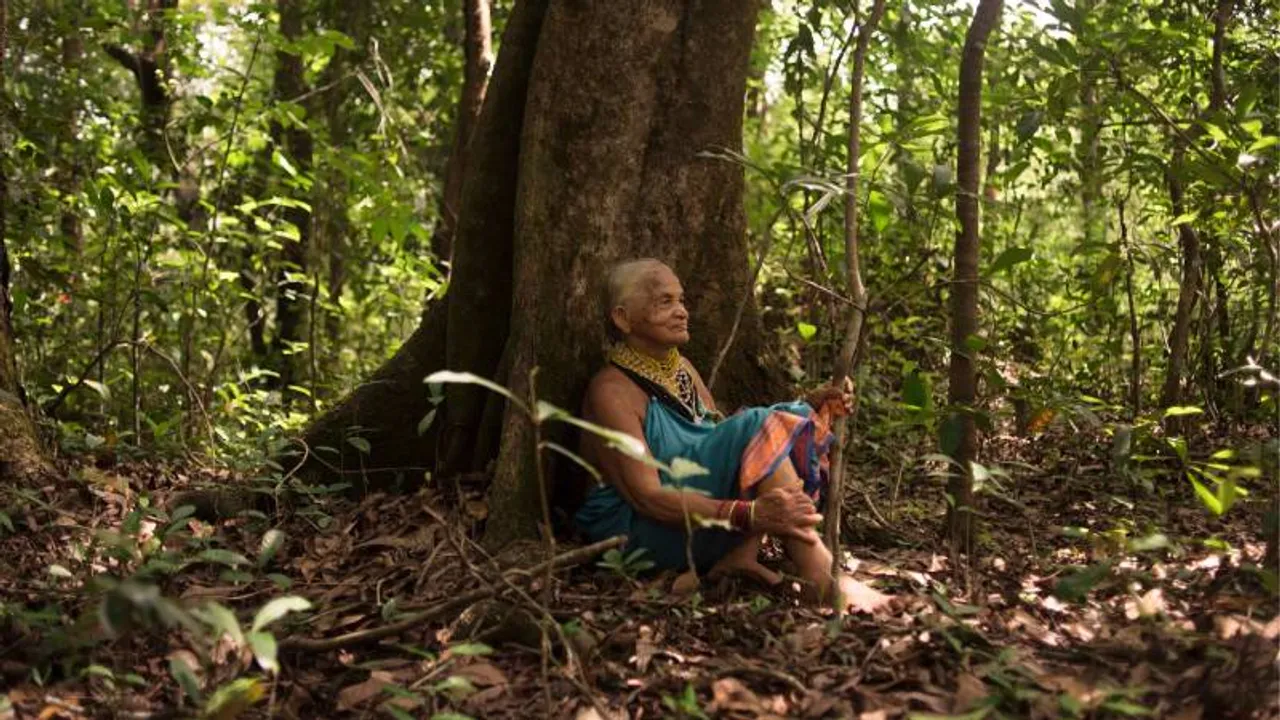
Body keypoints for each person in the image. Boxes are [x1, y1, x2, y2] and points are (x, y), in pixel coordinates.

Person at [575, 258, 889, 610]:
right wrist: (748, 515)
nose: (681, 311)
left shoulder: (682, 370)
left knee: (783, 421)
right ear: (622, 318)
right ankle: (819, 576)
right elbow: (647, 497)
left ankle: (742, 557)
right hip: (639, 535)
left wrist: (807, 406)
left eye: (681, 300)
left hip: (693, 519)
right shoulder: (611, 391)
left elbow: (724, 440)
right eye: (664, 302)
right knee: (759, 423)